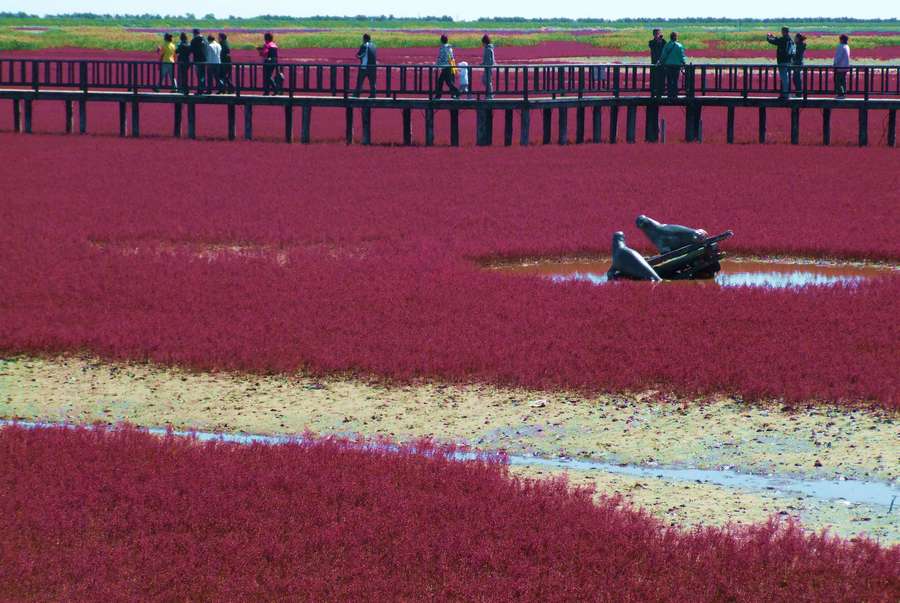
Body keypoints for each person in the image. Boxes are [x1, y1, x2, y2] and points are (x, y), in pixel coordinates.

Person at [766, 27, 795, 99]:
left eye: (782, 31)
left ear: (783, 32)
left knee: (784, 78)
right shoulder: (791, 40)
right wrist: (773, 36)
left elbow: (774, 41)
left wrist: (768, 37)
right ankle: (785, 93)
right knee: (787, 78)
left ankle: (785, 95)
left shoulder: (783, 39)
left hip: (782, 62)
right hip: (789, 62)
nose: (781, 32)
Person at [657, 32, 686, 100]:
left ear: (670, 37)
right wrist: (684, 63)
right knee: (675, 80)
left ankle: (669, 95)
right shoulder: (679, 46)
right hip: (676, 65)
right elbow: (682, 56)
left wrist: (660, 61)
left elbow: (663, 55)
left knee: (669, 80)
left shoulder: (667, 45)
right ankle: (675, 95)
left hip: (668, 65)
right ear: (676, 37)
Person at [434, 34, 459, 99]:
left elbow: (440, 58)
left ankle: (456, 92)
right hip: (450, 66)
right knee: (448, 82)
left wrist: (436, 66)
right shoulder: (449, 47)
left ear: (441, 40)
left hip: (445, 67)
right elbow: (452, 57)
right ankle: (454, 94)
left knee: (441, 82)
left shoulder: (442, 48)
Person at [354, 33, 377, 98]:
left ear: (364, 39)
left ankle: (357, 94)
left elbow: (359, 55)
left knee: (360, 81)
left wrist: (358, 56)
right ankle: (373, 94)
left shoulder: (364, 45)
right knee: (372, 82)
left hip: (364, 67)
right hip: (373, 67)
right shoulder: (374, 46)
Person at [189, 28, 208, 94]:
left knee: (199, 75)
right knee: (203, 75)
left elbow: (190, 50)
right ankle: (203, 88)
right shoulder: (205, 39)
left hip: (197, 60)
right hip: (205, 60)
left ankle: (200, 89)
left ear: (194, 33)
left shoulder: (194, 40)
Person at [648, 28, 666, 97]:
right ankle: (653, 93)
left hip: (662, 64)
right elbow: (652, 46)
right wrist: (658, 41)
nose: (657, 35)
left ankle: (661, 93)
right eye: (656, 34)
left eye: (658, 34)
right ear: (653, 34)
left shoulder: (663, 41)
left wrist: (660, 40)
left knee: (661, 79)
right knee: (653, 79)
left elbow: (665, 47)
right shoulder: (651, 42)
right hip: (654, 63)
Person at [481, 34, 495, 99]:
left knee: (487, 81)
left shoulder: (488, 49)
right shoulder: (487, 48)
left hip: (488, 67)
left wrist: (485, 64)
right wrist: (482, 63)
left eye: (483, 42)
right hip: (487, 67)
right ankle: (489, 94)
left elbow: (490, 60)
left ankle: (490, 95)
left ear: (485, 42)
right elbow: (486, 59)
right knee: (486, 80)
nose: (482, 44)